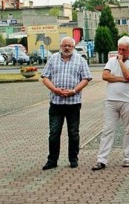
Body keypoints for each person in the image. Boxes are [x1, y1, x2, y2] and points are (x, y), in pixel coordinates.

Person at [41, 37, 92, 170]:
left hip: (73, 102)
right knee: (54, 133)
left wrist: (74, 90)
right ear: (60, 46)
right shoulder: (53, 59)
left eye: (70, 45)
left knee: (73, 133)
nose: (67, 48)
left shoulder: (80, 60)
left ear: (74, 47)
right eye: (64, 45)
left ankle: (73, 159)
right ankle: (52, 160)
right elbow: (45, 77)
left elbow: (86, 78)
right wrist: (54, 89)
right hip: (56, 102)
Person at [92, 36, 129, 170]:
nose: (120, 52)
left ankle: (128, 158)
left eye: (123, 50)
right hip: (111, 100)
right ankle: (101, 159)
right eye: (119, 49)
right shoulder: (111, 61)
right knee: (107, 130)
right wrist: (121, 78)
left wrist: (121, 63)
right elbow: (105, 76)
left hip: (128, 100)